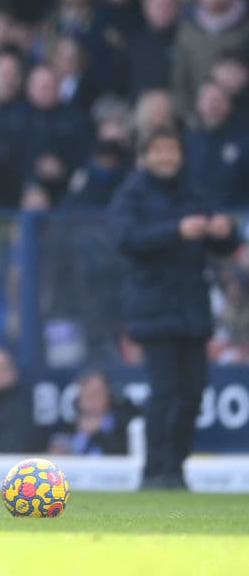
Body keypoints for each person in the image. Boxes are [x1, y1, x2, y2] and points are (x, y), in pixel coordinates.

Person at [108, 128, 241, 489]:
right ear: (146, 156)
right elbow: (125, 239)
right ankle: (154, 471)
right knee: (164, 392)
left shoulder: (195, 191)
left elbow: (228, 243)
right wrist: (176, 230)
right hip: (153, 307)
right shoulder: (132, 194)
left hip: (193, 307)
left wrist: (225, 230)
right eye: (159, 150)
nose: (166, 157)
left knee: (193, 393)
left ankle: (176, 468)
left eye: (172, 150)